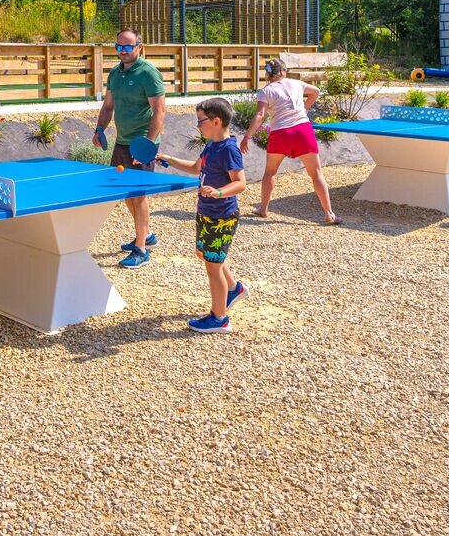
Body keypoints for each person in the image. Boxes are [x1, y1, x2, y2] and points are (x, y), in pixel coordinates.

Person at [156, 99, 248, 333]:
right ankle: (234, 289)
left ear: (216, 121)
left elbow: (240, 183)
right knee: (205, 255)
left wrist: (219, 192)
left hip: (222, 216)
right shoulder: (211, 145)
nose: (198, 125)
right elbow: (197, 168)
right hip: (206, 212)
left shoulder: (228, 149)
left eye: (201, 121)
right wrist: (171, 159)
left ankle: (219, 318)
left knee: (212, 265)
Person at [93, 28, 166, 268]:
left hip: (141, 144)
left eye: (127, 46)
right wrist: (99, 129)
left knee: (139, 195)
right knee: (126, 192)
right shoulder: (115, 73)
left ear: (139, 47)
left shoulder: (149, 73)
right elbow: (107, 106)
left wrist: (146, 145)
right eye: (119, 47)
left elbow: (159, 111)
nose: (123, 51)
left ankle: (141, 250)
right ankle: (146, 234)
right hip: (122, 141)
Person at [240, 57, 339, 224]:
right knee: (316, 174)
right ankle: (329, 213)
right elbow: (316, 91)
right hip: (303, 130)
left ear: (269, 74)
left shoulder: (266, 91)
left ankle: (263, 209)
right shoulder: (297, 83)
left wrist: (247, 136)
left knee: (270, 172)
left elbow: (260, 115)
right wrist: (306, 106)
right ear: (283, 71)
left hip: (281, 132)